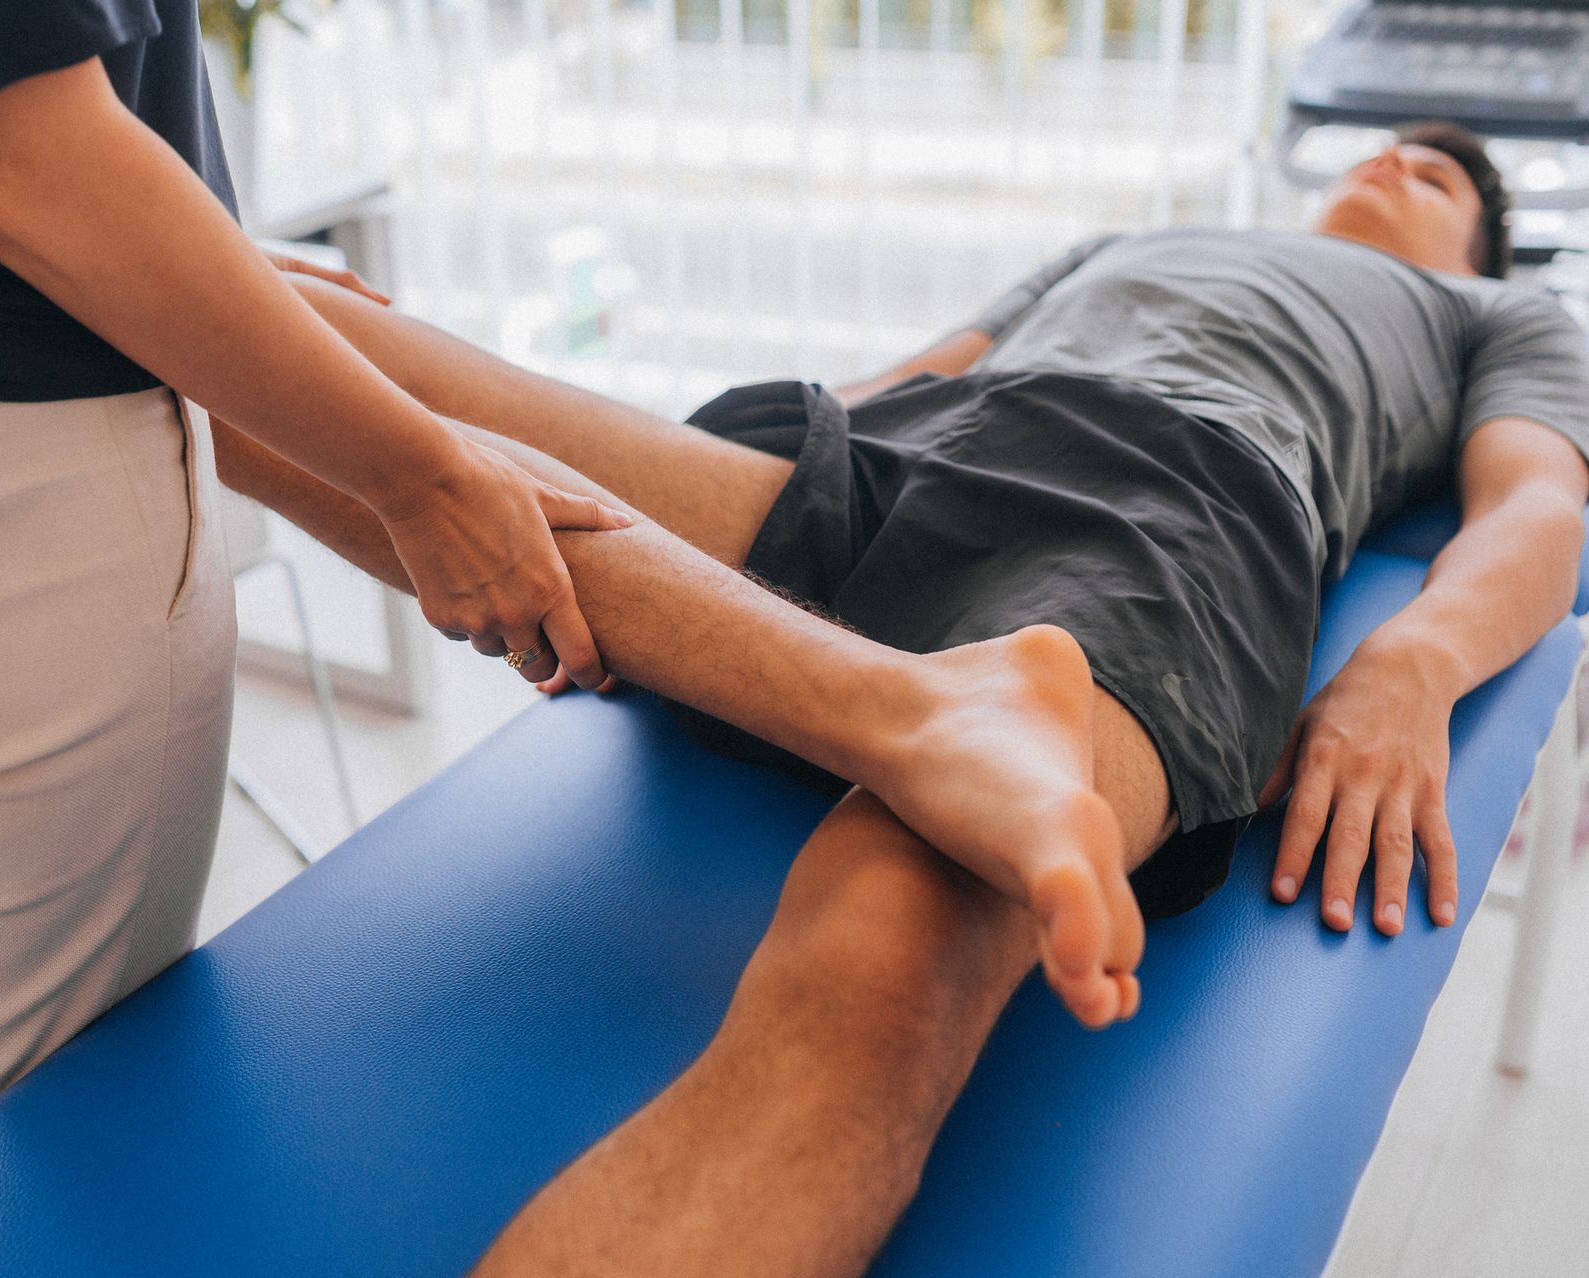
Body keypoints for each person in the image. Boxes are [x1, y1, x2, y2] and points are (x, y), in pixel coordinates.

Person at [200, 122, 1589, 1274]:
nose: (1400, 160)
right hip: (889, 459)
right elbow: (926, 372)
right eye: (1394, 145)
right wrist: (670, 477)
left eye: (1442, 177)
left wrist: (1405, 666)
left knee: (876, 969)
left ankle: (994, 710)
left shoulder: (1496, 312)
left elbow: (1537, 508)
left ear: (1474, 245)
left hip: (1159, 506)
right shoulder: (1135, 237)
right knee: (277, 342)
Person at [0, 2, 630, 1143]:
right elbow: (13, 152)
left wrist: (183, 242)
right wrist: (430, 485)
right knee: (49, 1137)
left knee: (33, 1115)